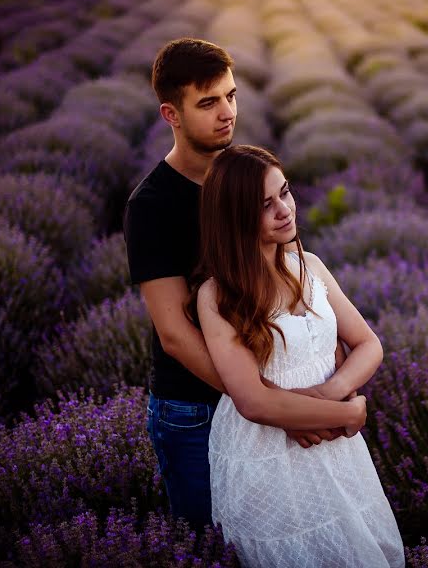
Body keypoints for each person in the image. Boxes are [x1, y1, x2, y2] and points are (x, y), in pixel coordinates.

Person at [123, 38, 350, 533]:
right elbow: (176, 335)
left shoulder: (247, 180)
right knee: (218, 545)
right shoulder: (153, 205)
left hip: (274, 398)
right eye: (208, 103)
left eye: (230, 96)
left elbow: (288, 280)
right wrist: (275, 406)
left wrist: (304, 390)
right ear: (171, 113)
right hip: (198, 409)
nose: (227, 113)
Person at [189, 144, 405, 567]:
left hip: (334, 448)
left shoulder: (311, 266)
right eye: (265, 205)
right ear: (235, 217)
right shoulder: (218, 296)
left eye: (284, 193)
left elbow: (368, 343)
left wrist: (334, 393)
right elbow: (252, 401)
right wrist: (348, 416)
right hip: (267, 457)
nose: (284, 210)